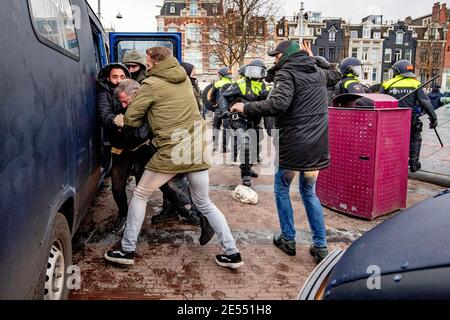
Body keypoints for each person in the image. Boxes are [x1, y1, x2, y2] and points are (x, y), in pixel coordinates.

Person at [104, 47, 243, 269]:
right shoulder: (185, 80)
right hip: (197, 150)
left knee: (140, 194)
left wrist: (122, 118)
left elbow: (131, 119)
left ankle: (126, 250)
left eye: (148, 63)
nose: (146, 66)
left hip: (172, 152)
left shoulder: (150, 84)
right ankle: (233, 252)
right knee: (204, 202)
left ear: (155, 63)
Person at [231, 40, 342, 264]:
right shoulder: (318, 72)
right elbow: (336, 73)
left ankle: (288, 239)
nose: (275, 60)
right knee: (309, 193)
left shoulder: (287, 73)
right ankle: (320, 246)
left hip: (293, 145)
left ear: (286, 56)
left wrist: (246, 107)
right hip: (317, 146)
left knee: (282, 188)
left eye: (277, 56)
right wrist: (314, 58)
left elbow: (278, 105)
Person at [381, 60, 438, 172]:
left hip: (392, 120)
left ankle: (393, 164)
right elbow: (425, 102)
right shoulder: (415, 84)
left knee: (393, 142)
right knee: (415, 139)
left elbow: (380, 102)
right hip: (410, 119)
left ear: (396, 71)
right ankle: (414, 163)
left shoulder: (387, 84)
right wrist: (433, 118)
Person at [221, 59, 270, 187]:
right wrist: (225, 111)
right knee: (245, 144)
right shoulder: (240, 83)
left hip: (254, 122)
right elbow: (224, 96)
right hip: (239, 120)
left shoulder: (265, 86)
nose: (253, 73)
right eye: (251, 70)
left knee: (254, 149)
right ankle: (246, 175)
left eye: (257, 70)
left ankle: (247, 167)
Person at [97, 63, 133, 232]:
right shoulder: (104, 93)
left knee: (151, 183)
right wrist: (117, 122)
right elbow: (105, 115)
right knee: (117, 186)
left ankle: (188, 212)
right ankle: (123, 214)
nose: (118, 80)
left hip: (139, 144)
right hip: (119, 145)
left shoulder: (135, 89)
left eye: (122, 76)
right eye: (114, 77)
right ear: (108, 78)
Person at [208, 67, 234, 152]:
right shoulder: (234, 84)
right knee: (227, 128)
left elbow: (211, 96)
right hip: (228, 110)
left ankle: (215, 147)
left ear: (221, 75)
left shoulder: (217, 84)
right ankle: (225, 148)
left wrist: (213, 104)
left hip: (218, 109)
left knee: (216, 127)